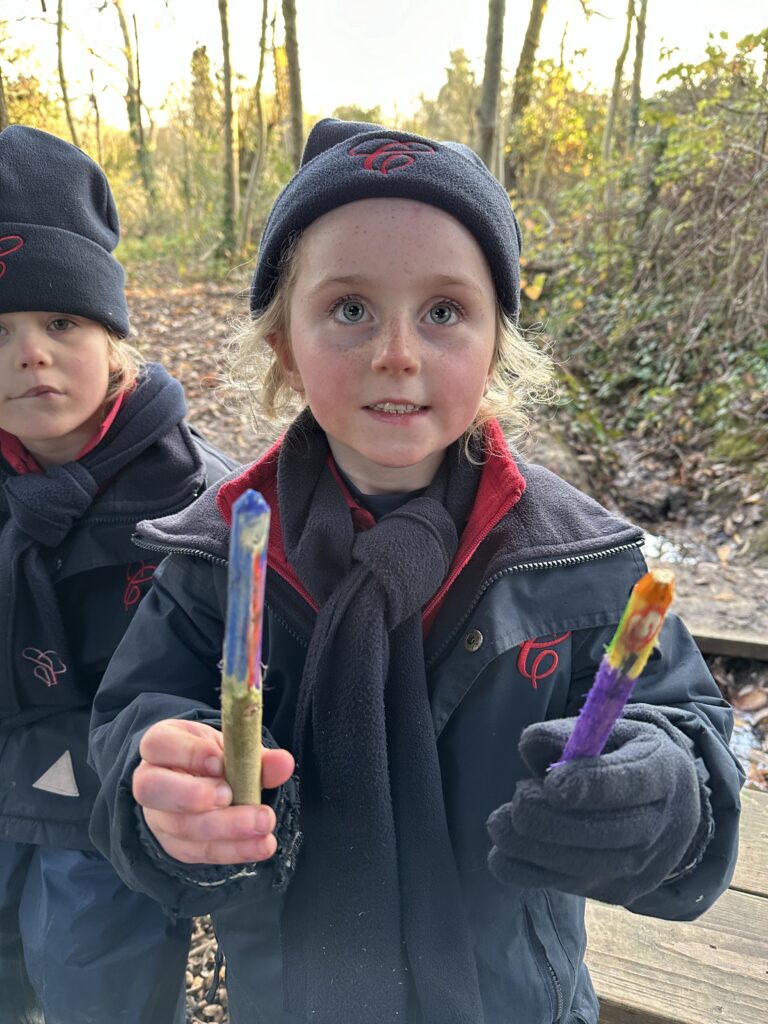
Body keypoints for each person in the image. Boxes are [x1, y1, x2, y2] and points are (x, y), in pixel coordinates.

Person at [88, 119, 744, 1024]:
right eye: (350, 308)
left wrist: (663, 797)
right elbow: (135, 721)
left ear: (496, 342)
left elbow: (689, 731)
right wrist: (165, 793)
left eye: (444, 312)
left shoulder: (582, 560)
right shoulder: (220, 555)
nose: (398, 352)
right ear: (284, 342)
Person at [0, 125, 237, 1024]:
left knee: (97, 982)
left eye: (61, 321)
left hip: (107, 802)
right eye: (2, 329)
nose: (32, 353)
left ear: (110, 335)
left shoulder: (190, 497)